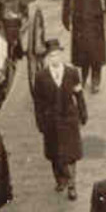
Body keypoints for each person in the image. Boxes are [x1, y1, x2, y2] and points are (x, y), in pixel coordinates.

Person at [33, 38, 87, 200]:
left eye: (57, 55)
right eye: (51, 56)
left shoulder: (72, 73)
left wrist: (83, 113)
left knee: (71, 154)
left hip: (69, 118)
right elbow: (38, 103)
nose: (55, 59)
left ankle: (72, 185)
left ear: (61, 55)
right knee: (55, 153)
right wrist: (40, 122)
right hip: (51, 121)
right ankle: (60, 179)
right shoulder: (41, 77)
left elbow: (79, 95)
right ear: (47, 59)